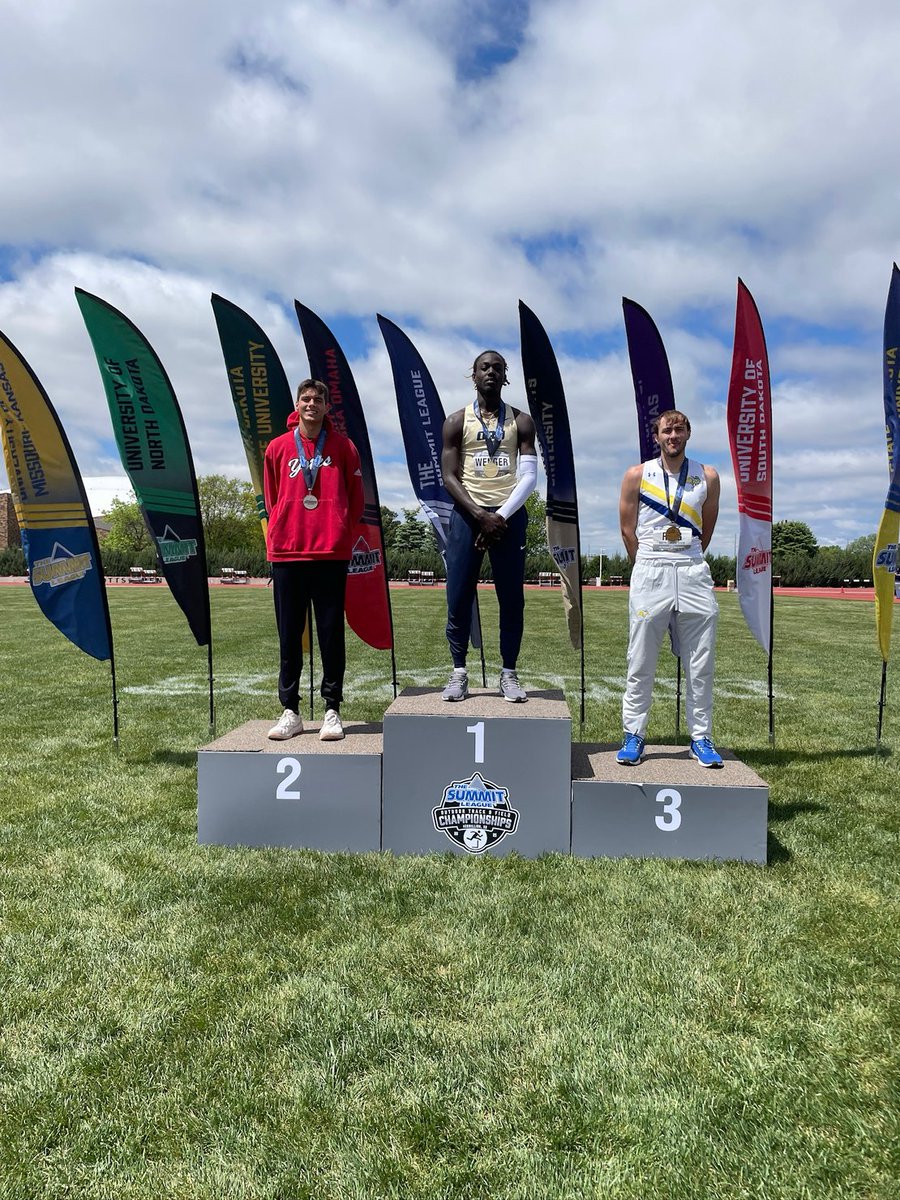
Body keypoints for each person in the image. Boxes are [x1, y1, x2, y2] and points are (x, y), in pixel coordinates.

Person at [616, 409, 723, 767]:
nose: (673, 436)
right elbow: (627, 529)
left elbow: (706, 529)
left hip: (692, 569)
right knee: (641, 658)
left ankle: (701, 737)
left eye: (679, 430)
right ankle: (634, 734)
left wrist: (687, 555)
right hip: (651, 570)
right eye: (666, 430)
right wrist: (647, 561)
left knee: (701, 661)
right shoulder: (636, 475)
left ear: (688, 433)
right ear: (657, 436)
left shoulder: (707, 475)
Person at [263, 378, 364, 741]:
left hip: (329, 552)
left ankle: (332, 710)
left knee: (330, 634)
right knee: (289, 636)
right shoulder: (277, 448)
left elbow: (355, 498)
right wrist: (283, 527)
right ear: (297, 404)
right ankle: (290, 710)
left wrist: (338, 531)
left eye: (317, 399)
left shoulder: (343, 447)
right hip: (288, 552)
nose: (311, 404)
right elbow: (272, 498)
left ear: (325, 407)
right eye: (305, 399)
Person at [440, 350, 538, 702]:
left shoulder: (521, 421)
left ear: (505, 375)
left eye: (498, 368)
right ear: (474, 375)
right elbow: (449, 477)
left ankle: (508, 673)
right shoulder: (455, 421)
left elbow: (529, 476)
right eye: (485, 368)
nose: (491, 372)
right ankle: (458, 672)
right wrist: (480, 515)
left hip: (508, 517)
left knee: (512, 598)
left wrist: (500, 516)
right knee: (459, 595)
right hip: (468, 516)